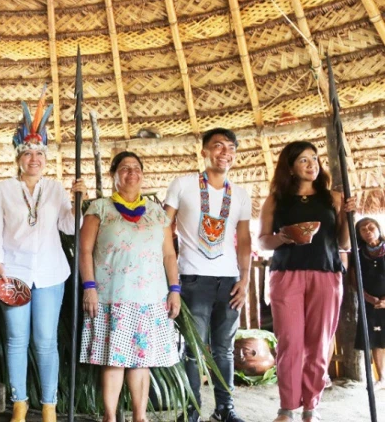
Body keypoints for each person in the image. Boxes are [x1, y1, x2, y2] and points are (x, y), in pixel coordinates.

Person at [0, 97, 83, 422]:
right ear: (18, 158)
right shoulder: (4, 190)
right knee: (16, 341)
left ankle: (49, 406)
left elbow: (69, 227)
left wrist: (78, 200)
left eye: (40, 153)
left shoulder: (55, 189)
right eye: (27, 153)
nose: (34, 158)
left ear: (46, 158)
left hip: (50, 274)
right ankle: (19, 403)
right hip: (13, 274)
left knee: (45, 341)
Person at [79, 152, 180, 422]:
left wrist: (174, 290)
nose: (131, 172)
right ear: (114, 175)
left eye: (136, 168)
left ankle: (139, 416)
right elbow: (85, 250)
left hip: (150, 297)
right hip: (111, 296)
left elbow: (169, 255)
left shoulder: (157, 213)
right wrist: (89, 287)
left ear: (143, 175)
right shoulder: (99, 208)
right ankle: (110, 417)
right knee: (114, 359)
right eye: (124, 168)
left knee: (141, 360)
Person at [259, 141, 353, 422]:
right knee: (289, 342)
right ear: (290, 166)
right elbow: (263, 240)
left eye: (314, 158)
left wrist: (347, 216)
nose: (312, 164)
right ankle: (287, 408)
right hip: (286, 275)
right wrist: (285, 237)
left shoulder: (332, 198)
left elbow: (344, 243)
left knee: (319, 342)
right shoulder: (276, 199)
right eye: (303, 160)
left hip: (326, 274)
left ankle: (311, 407)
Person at [164, 128, 251, 422]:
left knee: (224, 350)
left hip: (229, 281)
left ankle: (225, 410)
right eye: (218, 146)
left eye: (230, 147)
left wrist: (245, 280)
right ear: (203, 152)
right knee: (192, 349)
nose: (224, 152)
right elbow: (165, 228)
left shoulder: (239, 195)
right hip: (192, 279)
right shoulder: (183, 184)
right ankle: (190, 411)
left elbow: (245, 239)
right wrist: (172, 280)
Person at [354, 217, 385, 390]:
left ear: (379, 229)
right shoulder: (359, 254)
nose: (368, 230)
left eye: (371, 227)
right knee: (376, 340)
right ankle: (382, 378)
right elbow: (354, 280)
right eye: (363, 229)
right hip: (370, 303)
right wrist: (368, 298)